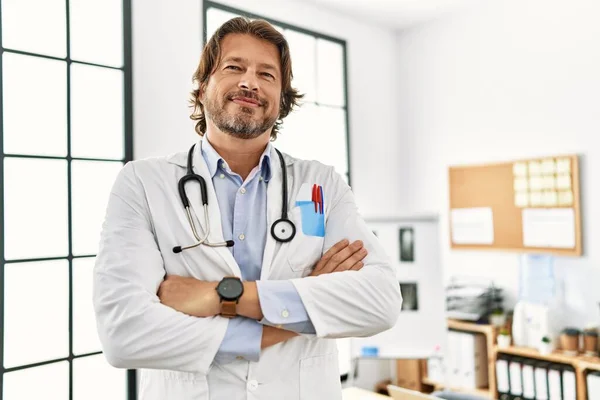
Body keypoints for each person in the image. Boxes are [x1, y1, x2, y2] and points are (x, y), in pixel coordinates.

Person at [93, 16, 402, 400]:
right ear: (203, 84)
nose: (250, 82)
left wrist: (223, 296)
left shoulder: (322, 183)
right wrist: (296, 310)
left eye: (267, 74)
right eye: (234, 67)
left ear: (283, 98)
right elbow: (124, 334)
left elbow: (381, 301)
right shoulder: (142, 183)